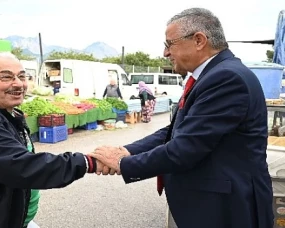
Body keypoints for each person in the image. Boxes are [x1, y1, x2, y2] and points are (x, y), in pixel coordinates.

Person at [90, 7, 273, 228]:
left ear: (198, 40)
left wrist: (122, 163)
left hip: (226, 211)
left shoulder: (226, 78)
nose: (166, 53)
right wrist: (127, 151)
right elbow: (175, 130)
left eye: (169, 44)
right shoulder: (210, 76)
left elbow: (185, 148)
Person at [0, 52, 103, 228]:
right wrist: (88, 162)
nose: (18, 83)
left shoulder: (6, 114)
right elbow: (22, 166)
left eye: (22, 76)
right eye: (6, 77)